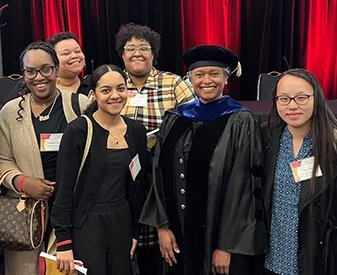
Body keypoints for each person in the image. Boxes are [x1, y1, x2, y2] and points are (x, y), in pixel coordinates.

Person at [139, 45, 266, 275]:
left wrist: (226, 245)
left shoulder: (240, 121)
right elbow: (157, 173)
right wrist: (162, 225)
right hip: (175, 236)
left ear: (226, 78)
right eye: (199, 74)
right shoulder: (175, 117)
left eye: (214, 74)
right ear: (190, 79)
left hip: (217, 241)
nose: (206, 80)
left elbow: (243, 188)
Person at [0, 41, 88, 275]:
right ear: (24, 74)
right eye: (31, 71)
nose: (39, 77)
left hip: (73, 212)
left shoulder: (80, 104)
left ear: (57, 70)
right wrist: (22, 182)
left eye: (46, 69)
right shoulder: (10, 112)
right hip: (26, 213)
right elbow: (2, 159)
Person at [50, 64, 148, 275]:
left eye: (120, 88)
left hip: (121, 222)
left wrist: (134, 231)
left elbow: (138, 186)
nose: (115, 96)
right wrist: (64, 242)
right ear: (93, 94)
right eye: (106, 90)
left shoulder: (137, 131)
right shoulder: (78, 131)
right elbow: (63, 191)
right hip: (86, 225)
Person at [115, 22, 196, 275]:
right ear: (122, 54)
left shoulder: (173, 83)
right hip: (121, 179)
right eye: (130, 48)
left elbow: (195, 126)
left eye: (144, 47)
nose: (137, 53)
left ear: (154, 53)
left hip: (163, 177)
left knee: (159, 254)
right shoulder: (113, 84)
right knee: (123, 249)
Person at [262, 68, 337, 275]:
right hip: (271, 259)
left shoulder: (332, 143)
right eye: (284, 99)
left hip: (317, 259)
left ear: (317, 98)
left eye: (301, 97)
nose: (292, 106)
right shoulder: (266, 138)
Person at [3, 31, 90, 104]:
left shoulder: (93, 85)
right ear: (53, 60)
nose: (75, 56)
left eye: (78, 51)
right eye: (66, 53)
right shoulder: (34, 83)